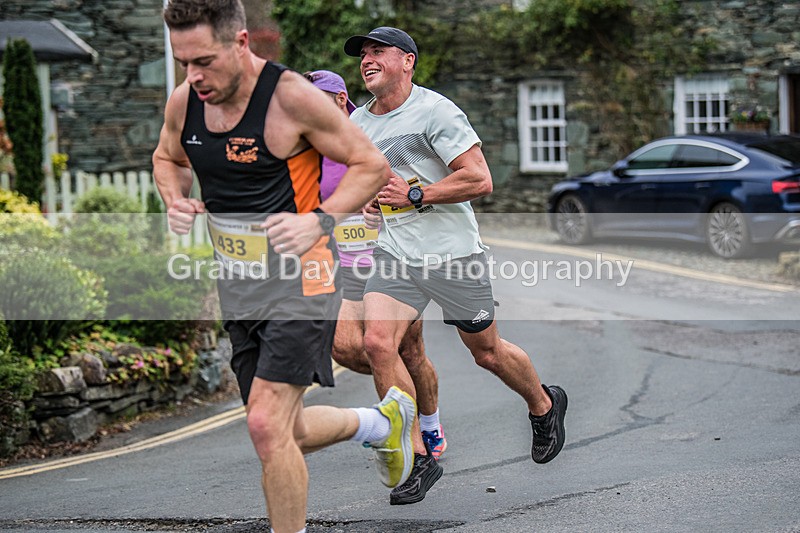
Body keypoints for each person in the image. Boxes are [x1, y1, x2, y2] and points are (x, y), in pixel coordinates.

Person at [152, 3, 416, 532]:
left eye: (204, 60)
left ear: (241, 42)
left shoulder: (290, 98)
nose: (194, 75)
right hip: (240, 286)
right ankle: (379, 422)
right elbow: (169, 158)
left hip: (305, 279)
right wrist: (174, 197)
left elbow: (370, 166)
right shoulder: (187, 100)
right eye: (184, 62)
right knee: (281, 430)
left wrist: (320, 219)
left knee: (265, 425)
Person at [343, 26, 569, 505]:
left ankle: (544, 404)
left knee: (486, 352)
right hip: (396, 253)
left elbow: (479, 179)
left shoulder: (436, 110)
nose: (367, 59)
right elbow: (371, 185)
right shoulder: (359, 124)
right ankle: (419, 456)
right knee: (378, 343)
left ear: (407, 61)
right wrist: (371, 204)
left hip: (453, 253)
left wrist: (417, 193)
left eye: (377, 51)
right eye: (362, 54)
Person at [305, 69, 448, 463]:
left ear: (337, 99)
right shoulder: (305, 149)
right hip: (340, 264)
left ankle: (425, 428)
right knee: (347, 348)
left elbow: (409, 187)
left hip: (390, 257)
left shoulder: (369, 133)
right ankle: (399, 409)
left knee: (409, 350)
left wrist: (383, 208)